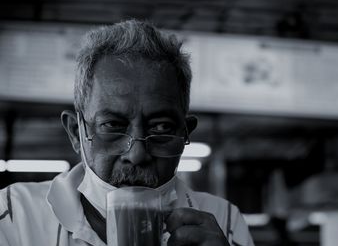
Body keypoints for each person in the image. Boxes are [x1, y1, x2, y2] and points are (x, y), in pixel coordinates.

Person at [0, 20, 254, 246]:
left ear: (185, 133)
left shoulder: (224, 221)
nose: (137, 154)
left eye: (162, 127)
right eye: (112, 125)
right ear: (77, 133)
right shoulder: (12, 215)